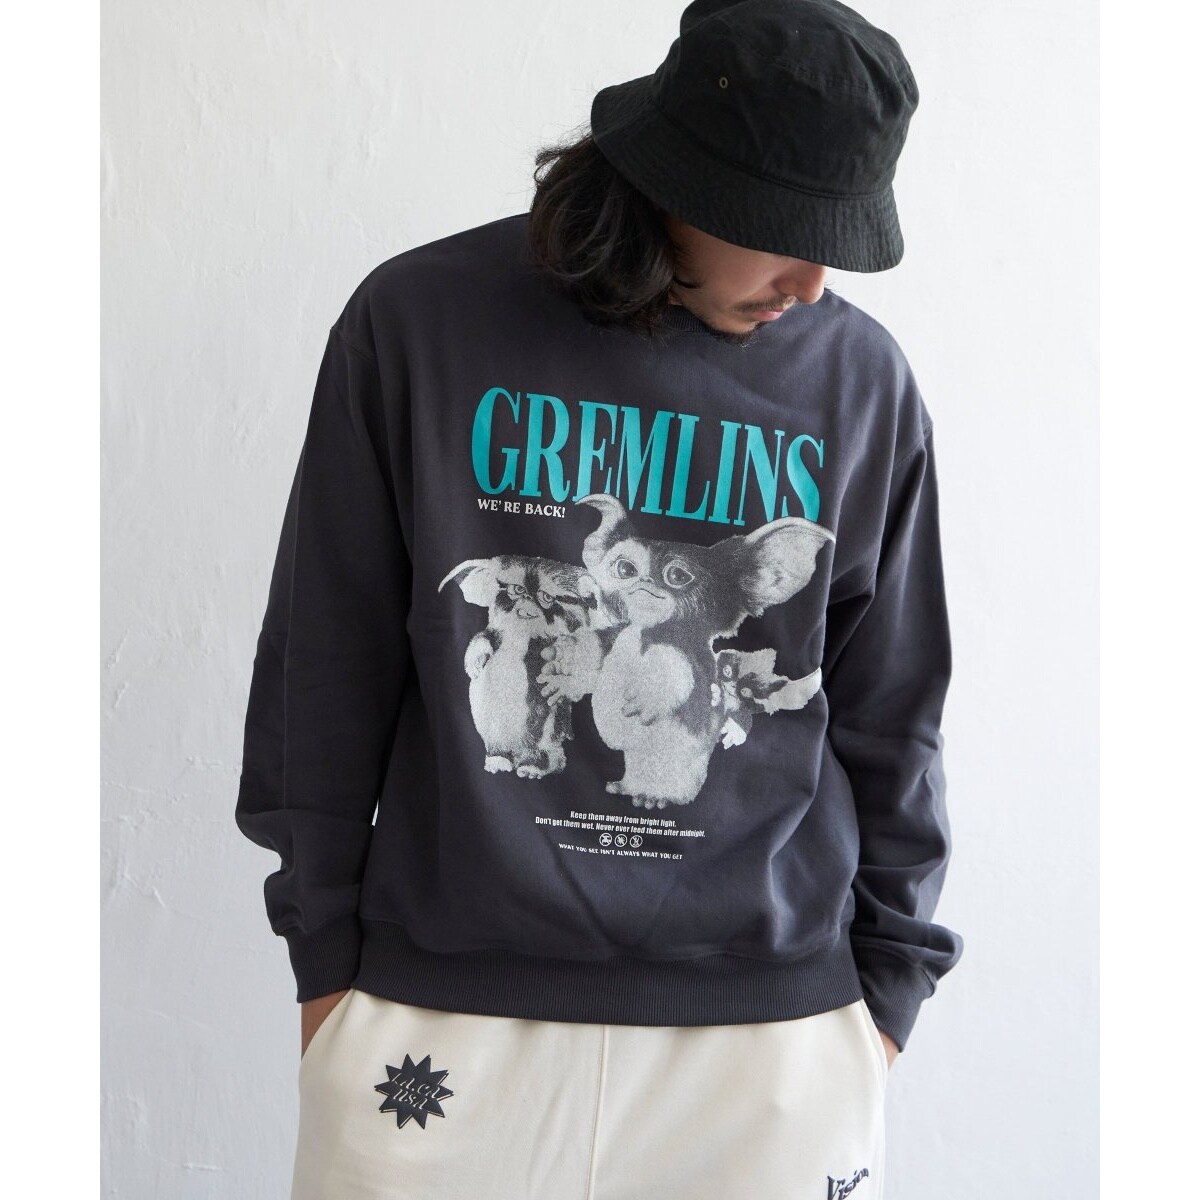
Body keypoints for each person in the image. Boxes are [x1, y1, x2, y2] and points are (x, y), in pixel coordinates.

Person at [234, 1, 963, 1196]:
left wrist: (885, 998)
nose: (812, 280)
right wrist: (324, 962)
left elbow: (897, 706)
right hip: (439, 1020)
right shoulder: (418, 324)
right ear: (679, 176)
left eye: (837, 239)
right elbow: (326, 657)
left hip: (766, 1047)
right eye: (784, 231)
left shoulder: (859, 380)